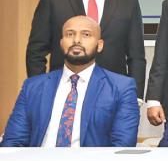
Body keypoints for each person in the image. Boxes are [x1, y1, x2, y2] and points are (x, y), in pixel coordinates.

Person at [2, 16, 139, 147]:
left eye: (86, 35)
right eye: (69, 34)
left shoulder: (121, 88)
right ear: (61, 43)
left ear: (99, 45)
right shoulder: (32, 86)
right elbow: (13, 141)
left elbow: (122, 145)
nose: (76, 40)